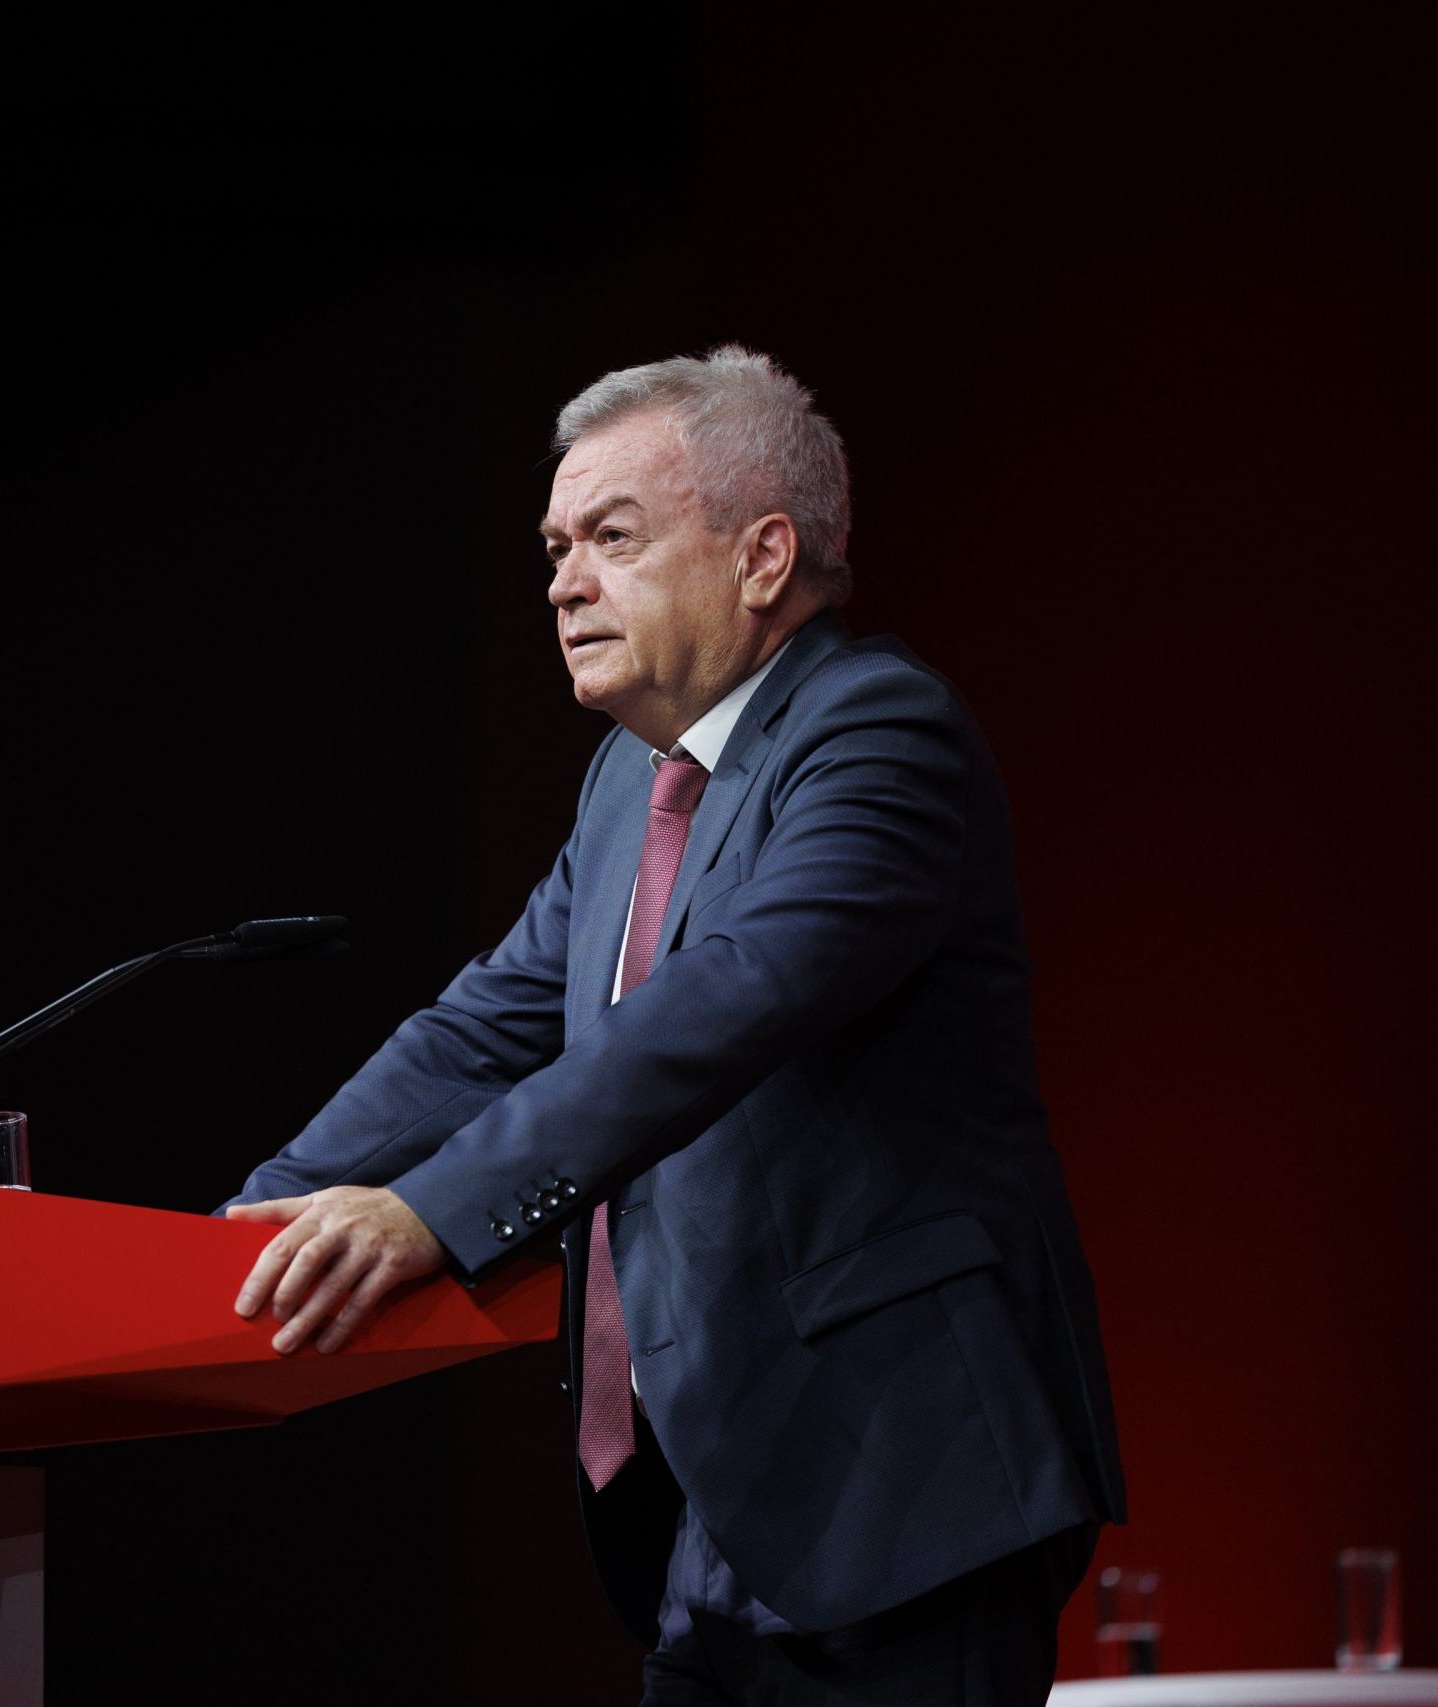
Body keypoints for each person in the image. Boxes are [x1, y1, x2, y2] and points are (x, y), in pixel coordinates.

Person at [223, 347, 1126, 1705]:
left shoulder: (879, 733)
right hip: (715, 1510)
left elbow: (731, 999)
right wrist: (248, 1223)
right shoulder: (626, 791)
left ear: (763, 558)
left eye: (610, 537)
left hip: (901, 1494)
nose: (562, 580)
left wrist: (430, 1210)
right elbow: (484, 1029)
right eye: (552, 546)